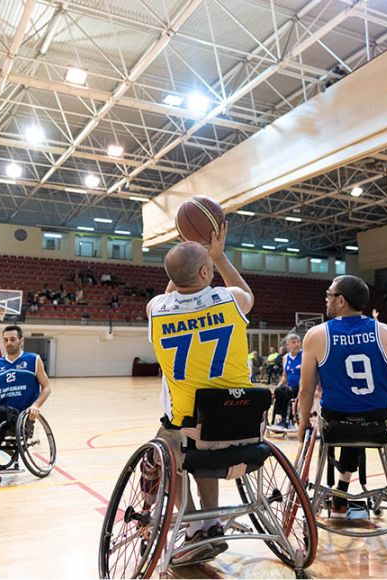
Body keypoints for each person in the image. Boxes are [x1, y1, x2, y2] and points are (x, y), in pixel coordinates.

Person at [147, 222, 253, 564]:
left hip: (190, 425)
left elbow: (170, 294)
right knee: (207, 438)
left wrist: (185, 265)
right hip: (242, 422)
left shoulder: (155, 309)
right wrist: (219, 257)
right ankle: (211, 523)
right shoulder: (230, 299)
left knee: (168, 445)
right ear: (206, 271)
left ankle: (194, 527)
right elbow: (246, 293)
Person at [297, 275, 387, 517]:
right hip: (376, 424)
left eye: (329, 294)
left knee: (347, 420)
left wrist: (303, 423)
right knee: (359, 418)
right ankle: (342, 491)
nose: (326, 298)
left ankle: (339, 495)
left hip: (334, 425)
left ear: (340, 300)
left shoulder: (316, 334)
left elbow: (306, 391)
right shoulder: (385, 333)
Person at [0, 325, 52, 470]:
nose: (9, 343)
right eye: (5, 340)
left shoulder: (33, 359)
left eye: (12, 339)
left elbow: (47, 387)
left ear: (21, 340)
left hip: (21, 415)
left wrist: (36, 405)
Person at [272, 334, 302, 427]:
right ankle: (283, 418)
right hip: (290, 387)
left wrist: (302, 389)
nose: (297, 344)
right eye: (293, 342)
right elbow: (285, 376)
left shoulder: (304, 355)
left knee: (288, 391)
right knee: (278, 391)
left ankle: (288, 418)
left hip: (301, 387)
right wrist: (277, 388)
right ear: (287, 345)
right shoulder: (285, 357)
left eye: (298, 342)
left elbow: (305, 376)